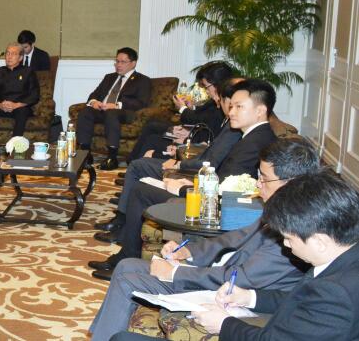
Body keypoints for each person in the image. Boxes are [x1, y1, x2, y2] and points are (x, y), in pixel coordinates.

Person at [88, 138, 318, 340]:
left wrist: (175, 272)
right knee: (127, 264)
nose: (258, 184)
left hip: (231, 296)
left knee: (126, 280)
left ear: (290, 182)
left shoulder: (296, 232)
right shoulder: (280, 209)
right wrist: (189, 251)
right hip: (219, 276)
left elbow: (242, 279)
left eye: (264, 179)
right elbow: (232, 239)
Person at [114, 169, 359, 340]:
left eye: (290, 238)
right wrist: (250, 297)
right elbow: (299, 299)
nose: (285, 245)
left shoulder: (336, 293)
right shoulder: (342, 260)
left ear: (319, 242)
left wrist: (224, 324)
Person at [89, 79, 279, 274]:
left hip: (215, 208)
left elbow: (228, 189)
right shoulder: (253, 136)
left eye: (239, 107)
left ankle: (126, 259)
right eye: (231, 106)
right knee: (143, 185)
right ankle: (126, 253)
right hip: (211, 196)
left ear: (260, 110)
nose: (231, 112)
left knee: (140, 191)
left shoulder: (254, 142)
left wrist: (183, 189)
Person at [96, 77, 242, 238]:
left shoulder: (233, 128)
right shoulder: (229, 123)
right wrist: (181, 149)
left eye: (220, 98)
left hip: (199, 176)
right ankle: (122, 215)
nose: (216, 100)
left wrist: (179, 164)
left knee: (138, 167)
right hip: (196, 163)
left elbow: (211, 161)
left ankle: (121, 222)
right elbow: (209, 149)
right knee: (141, 161)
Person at [126, 61, 235, 162]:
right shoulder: (217, 101)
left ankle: (134, 165)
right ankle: (133, 164)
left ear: (217, 84)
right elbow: (205, 118)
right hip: (194, 136)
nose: (206, 91)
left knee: (152, 137)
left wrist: (183, 110)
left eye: (206, 87)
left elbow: (207, 129)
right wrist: (192, 108)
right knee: (152, 131)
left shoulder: (225, 106)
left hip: (196, 144)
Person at [75, 47, 153, 171]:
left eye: (123, 62)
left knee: (112, 113)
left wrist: (117, 105)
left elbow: (141, 103)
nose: (118, 65)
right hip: (103, 110)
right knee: (85, 112)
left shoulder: (143, 80)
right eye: (117, 61)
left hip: (124, 113)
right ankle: (85, 154)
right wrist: (94, 102)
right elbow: (94, 94)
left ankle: (112, 158)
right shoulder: (109, 77)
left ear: (133, 63)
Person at [0, 43, 40, 156]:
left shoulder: (28, 72)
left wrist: (16, 105)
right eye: (7, 53)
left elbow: (34, 96)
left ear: (20, 58)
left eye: (13, 54)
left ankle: (14, 148)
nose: (9, 57)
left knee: (22, 112)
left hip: (19, 107)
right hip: (2, 107)